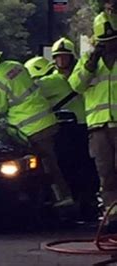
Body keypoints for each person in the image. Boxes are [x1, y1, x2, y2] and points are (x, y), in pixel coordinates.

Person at [0, 43, 74, 208]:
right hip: (47, 120)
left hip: (31, 128)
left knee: (47, 167)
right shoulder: (15, 66)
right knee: (50, 162)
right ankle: (57, 198)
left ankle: (63, 200)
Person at [25, 54, 99, 221]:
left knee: (68, 169)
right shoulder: (64, 80)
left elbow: (29, 94)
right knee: (86, 169)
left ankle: (72, 205)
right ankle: (87, 204)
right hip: (85, 128)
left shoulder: (50, 82)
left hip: (69, 132)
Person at [69, 13, 117, 230]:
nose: (109, 46)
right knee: (106, 173)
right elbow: (76, 86)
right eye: (104, 43)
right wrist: (90, 63)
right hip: (98, 127)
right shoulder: (88, 62)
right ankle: (113, 215)